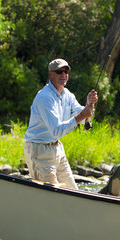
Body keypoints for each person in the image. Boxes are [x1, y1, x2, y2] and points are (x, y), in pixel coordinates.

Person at [24, 58, 98, 189]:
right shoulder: (45, 97)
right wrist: (82, 115)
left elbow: (82, 117)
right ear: (50, 74)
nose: (63, 75)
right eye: (59, 72)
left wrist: (89, 105)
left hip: (57, 148)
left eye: (66, 72)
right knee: (50, 197)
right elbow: (57, 130)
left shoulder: (67, 94)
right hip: (39, 151)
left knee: (73, 192)